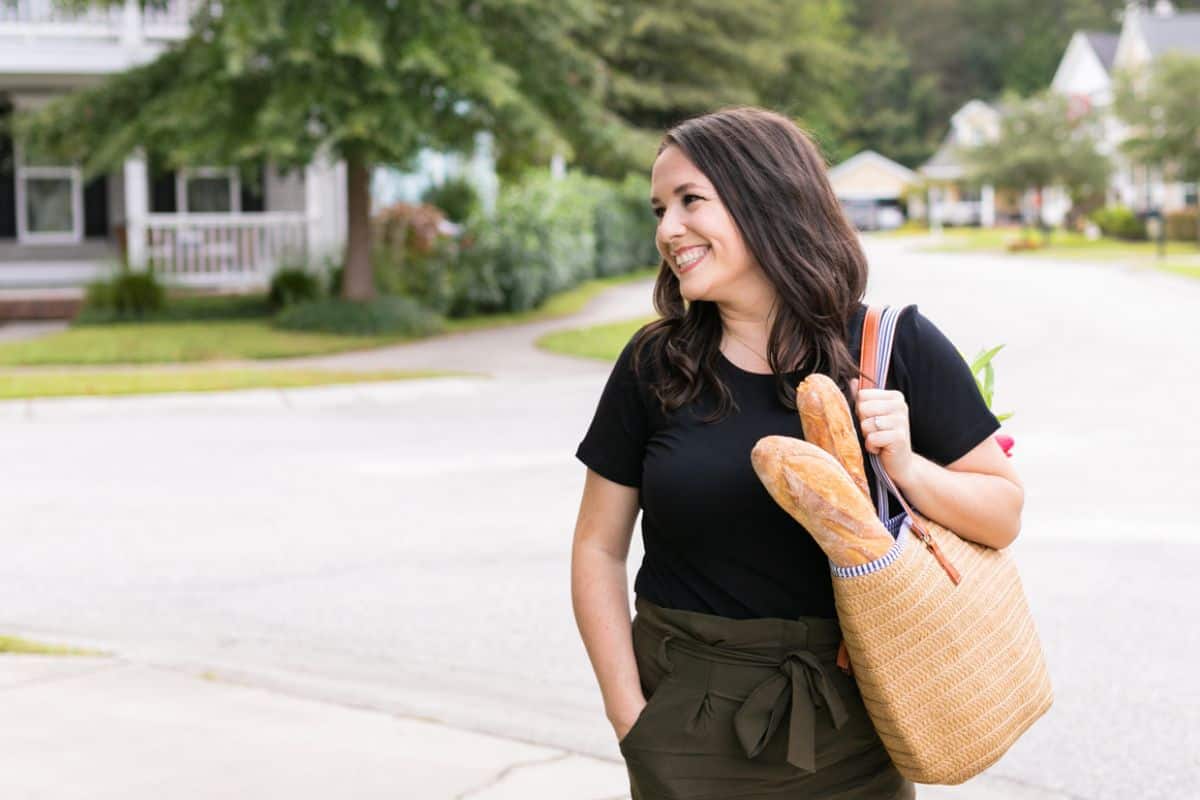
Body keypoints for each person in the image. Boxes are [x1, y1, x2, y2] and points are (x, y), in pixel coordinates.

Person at [570, 106, 1025, 799]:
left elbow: (1003, 514)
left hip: (855, 724)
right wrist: (630, 718)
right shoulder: (654, 365)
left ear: (766, 197)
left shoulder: (893, 346)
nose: (667, 230)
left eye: (692, 201)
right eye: (659, 209)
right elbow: (597, 548)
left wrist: (905, 465)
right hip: (683, 715)